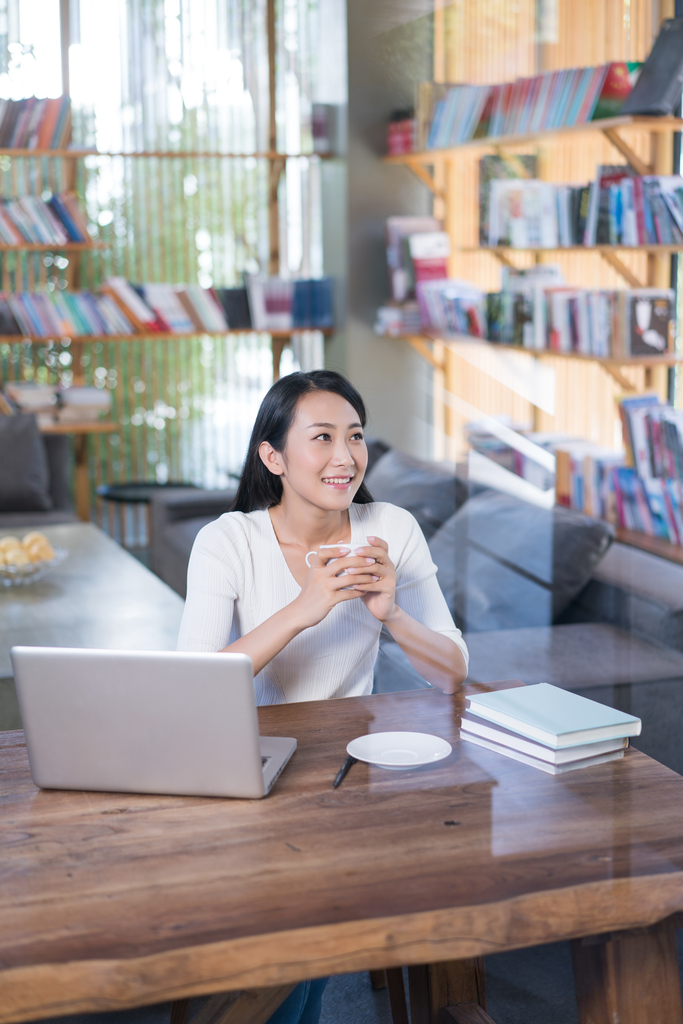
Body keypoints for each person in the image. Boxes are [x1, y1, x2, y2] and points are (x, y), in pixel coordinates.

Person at [177, 369, 468, 1024]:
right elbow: (192, 687)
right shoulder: (228, 541)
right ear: (273, 456)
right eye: (323, 438)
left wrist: (392, 614)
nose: (345, 457)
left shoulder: (389, 527)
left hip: (346, 776)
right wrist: (301, 610)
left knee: (297, 936)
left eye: (356, 436)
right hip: (247, 773)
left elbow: (452, 673)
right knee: (292, 935)